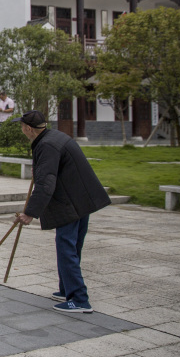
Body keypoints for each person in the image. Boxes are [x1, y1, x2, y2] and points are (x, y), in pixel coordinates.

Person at [12, 110, 110, 313]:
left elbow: (47, 182)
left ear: (29, 128)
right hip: (81, 198)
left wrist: (30, 213)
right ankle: (68, 288)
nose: (21, 129)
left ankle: (79, 299)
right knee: (72, 247)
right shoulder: (53, 137)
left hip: (70, 202)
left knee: (66, 247)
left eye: (22, 126)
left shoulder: (47, 145)